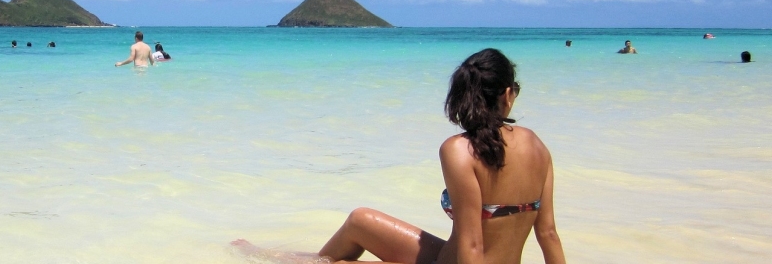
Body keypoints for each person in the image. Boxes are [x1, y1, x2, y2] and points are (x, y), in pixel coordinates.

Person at [235, 48, 565, 264]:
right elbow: (547, 234)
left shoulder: (459, 150)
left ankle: (270, 256)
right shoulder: (538, 147)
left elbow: (473, 245)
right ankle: (275, 255)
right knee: (360, 219)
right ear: (508, 94)